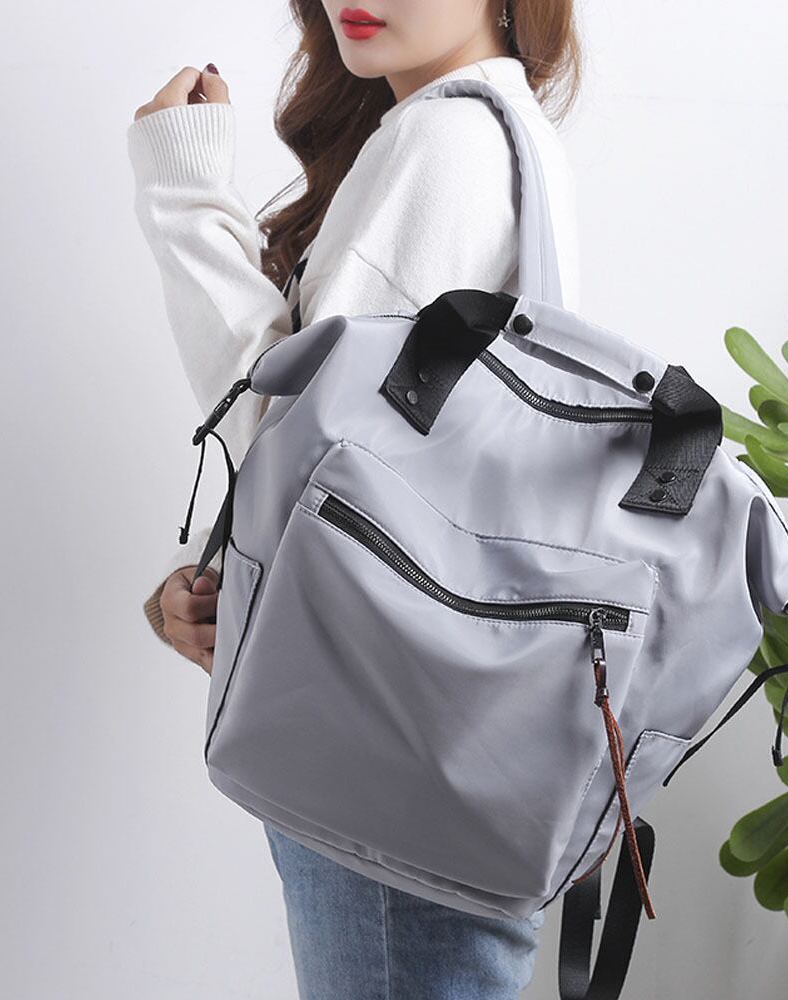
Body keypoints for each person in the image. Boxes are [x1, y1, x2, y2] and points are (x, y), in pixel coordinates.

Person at [127, 1, 582, 996]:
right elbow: (377, 471)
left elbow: (287, 437)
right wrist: (224, 584)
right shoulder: (510, 134)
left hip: (382, 771)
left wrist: (183, 193)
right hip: (437, 746)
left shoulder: (446, 143)